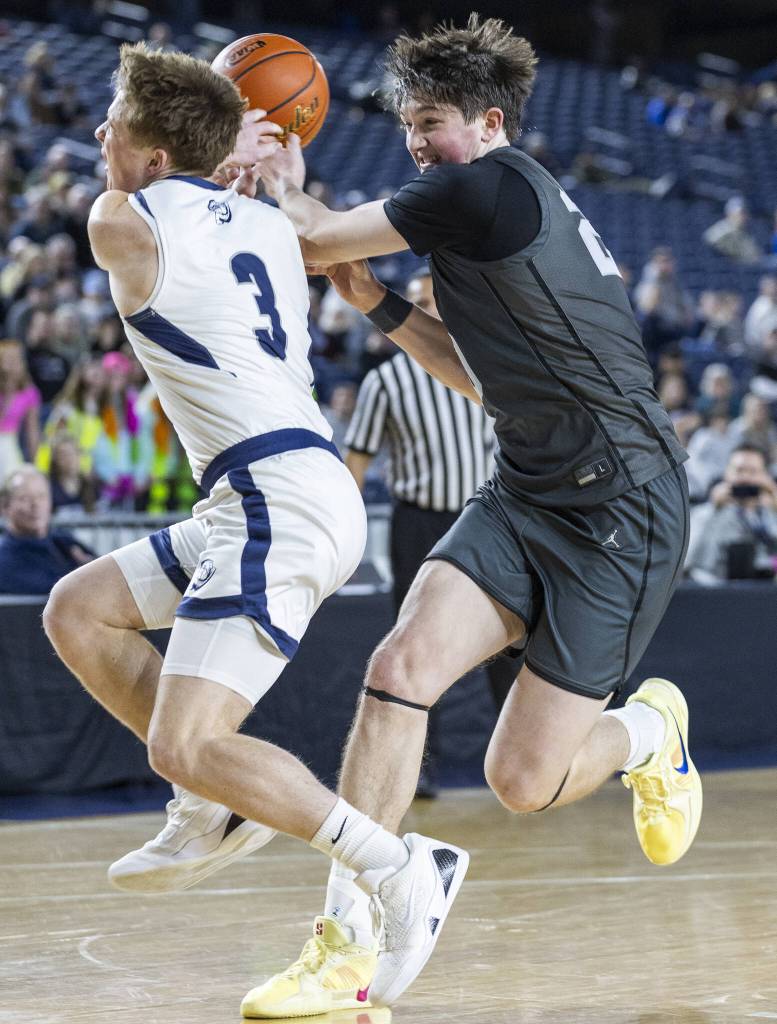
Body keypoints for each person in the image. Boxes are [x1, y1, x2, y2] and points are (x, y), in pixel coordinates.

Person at [128, 16, 700, 1018]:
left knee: (526, 779)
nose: (413, 141)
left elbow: (303, 240)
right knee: (397, 670)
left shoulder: (486, 184)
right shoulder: (482, 208)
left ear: (487, 123)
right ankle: (346, 938)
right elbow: (483, 381)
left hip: (623, 506)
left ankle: (649, 730)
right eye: (404, 123)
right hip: (526, 490)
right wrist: (382, 305)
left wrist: (261, 162)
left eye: (428, 121)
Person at [41, 42, 466, 1018]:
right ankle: (215, 803)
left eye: (119, 125)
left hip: (273, 495)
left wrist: (222, 153)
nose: (100, 133)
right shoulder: (277, 228)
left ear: (153, 161)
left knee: (185, 739)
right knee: (80, 612)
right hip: (270, 490)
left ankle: (401, 868)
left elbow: (157, 198)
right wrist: (263, 170)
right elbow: (298, 229)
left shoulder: (122, 219)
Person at [344, 267, 516, 796]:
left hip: (489, 515)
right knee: (414, 644)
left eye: (436, 301)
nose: (429, 312)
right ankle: (417, 767)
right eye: (418, 303)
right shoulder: (385, 381)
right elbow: (357, 461)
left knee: (510, 639)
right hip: (418, 522)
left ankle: (527, 757)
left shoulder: (491, 363)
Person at [685, 444, 777, 581]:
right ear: (727, 473)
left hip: (762, 593)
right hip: (715, 590)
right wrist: (712, 508)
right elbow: (685, 562)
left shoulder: (768, 514)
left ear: (765, 476)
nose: (745, 478)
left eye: (753, 472)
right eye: (739, 470)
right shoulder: (705, 513)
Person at [0, 464, 94, 594]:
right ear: (5, 506)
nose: (36, 505)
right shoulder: (4, 558)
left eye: (41, 496)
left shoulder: (63, 541)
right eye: (25, 498)